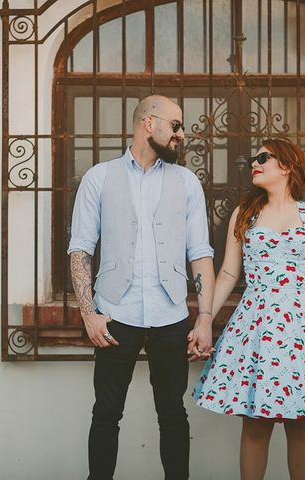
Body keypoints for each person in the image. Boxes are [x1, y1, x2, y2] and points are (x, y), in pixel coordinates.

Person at [191, 138, 305, 480]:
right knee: (256, 423)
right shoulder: (245, 214)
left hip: (303, 325)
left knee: (301, 422)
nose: (253, 163)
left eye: (262, 157)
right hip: (256, 324)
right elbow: (228, 272)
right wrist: (204, 318)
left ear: (286, 165)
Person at [68, 94, 216, 480]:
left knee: (172, 413)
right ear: (149, 124)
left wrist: (204, 320)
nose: (181, 134)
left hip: (170, 316)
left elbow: (200, 253)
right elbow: (81, 250)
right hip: (116, 314)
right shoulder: (99, 177)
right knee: (106, 414)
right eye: (176, 125)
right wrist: (89, 314)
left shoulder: (186, 182)